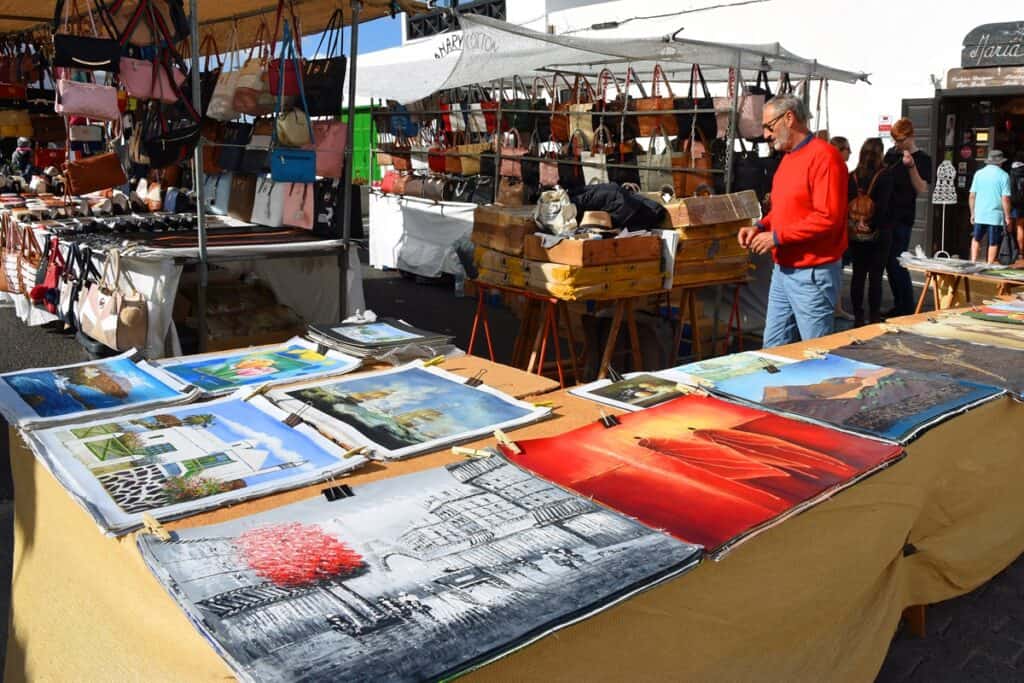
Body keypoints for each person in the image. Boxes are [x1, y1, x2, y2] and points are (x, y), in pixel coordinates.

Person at [738, 95, 849, 347]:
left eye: (769, 126)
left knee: (816, 353)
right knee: (774, 351)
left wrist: (776, 237)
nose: (766, 134)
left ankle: (820, 387)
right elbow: (786, 209)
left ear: (789, 117)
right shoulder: (789, 158)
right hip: (784, 269)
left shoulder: (825, 157)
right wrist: (760, 226)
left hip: (812, 272)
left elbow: (828, 218)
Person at [883, 118, 932, 317]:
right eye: (895, 140)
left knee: (897, 261)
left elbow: (921, 188)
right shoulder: (890, 155)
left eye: (901, 140)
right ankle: (899, 303)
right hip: (886, 214)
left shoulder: (922, 159)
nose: (898, 144)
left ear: (911, 136)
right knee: (887, 262)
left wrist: (911, 167)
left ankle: (907, 305)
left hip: (903, 216)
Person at [847, 138, 894, 326]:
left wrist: (855, 223)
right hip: (879, 233)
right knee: (876, 276)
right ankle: (874, 315)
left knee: (858, 275)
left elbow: (846, 204)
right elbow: (884, 207)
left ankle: (858, 316)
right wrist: (872, 224)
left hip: (856, 232)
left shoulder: (852, 176)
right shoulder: (886, 175)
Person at [969, 149, 1012, 263]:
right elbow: (1005, 198)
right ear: (1000, 162)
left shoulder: (979, 173)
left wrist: (973, 213)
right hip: (995, 215)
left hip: (980, 213)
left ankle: (973, 261)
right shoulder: (1004, 175)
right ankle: (989, 265)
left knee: (976, 238)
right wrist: (1008, 216)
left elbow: (972, 195)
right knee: (993, 242)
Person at [829, 135, 854, 321]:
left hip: (838, 224)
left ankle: (836, 306)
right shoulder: (839, 169)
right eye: (847, 149)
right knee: (835, 268)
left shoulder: (839, 168)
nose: (850, 152)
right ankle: (835, 307)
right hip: (837, 225)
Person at [1010, 159, 1024, 260]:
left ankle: (1010, 247)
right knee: (1020, 227)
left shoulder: (1011, 176)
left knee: (1010, 225)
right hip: (1022, 205)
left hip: (1013, 204)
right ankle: (1021, 252)